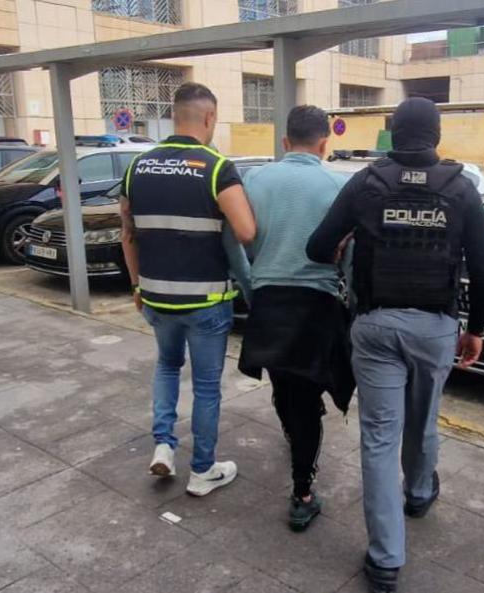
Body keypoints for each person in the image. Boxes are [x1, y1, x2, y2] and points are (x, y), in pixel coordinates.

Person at [306, 97, 484, 593]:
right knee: (424, 417)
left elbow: (317, 246)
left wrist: (346, 245)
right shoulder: (462, 188)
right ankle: (419, 492)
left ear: (392, 134)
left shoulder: (367, 181)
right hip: (436, 328)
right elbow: (483, 269)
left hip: (376, 326)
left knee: (379, 437)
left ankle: (386, 559)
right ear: (435, 136)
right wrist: (475, 330)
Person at [120, 82, 256, 497]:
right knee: (207, 387)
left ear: (173, 115)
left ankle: (163, 444)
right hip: (206, 302)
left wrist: (137, 285)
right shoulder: (216, 167)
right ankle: (202, 470)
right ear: (209, 118)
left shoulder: (137, 166)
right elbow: (247, 232)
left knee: (166, 367)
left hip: (157, 296)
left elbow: (127, 233)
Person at [238, 105, 355, 532]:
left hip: (269, 301)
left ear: (284, 142)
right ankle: (302, 492)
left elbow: (236, 240)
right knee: (305, 399)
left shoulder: (255, 179)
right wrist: (351, 304)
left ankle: (297, 442)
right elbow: (351, 258)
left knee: (287, 389)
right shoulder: (338, 184)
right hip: (315, 308)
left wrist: (252, 288)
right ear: (325, 144)